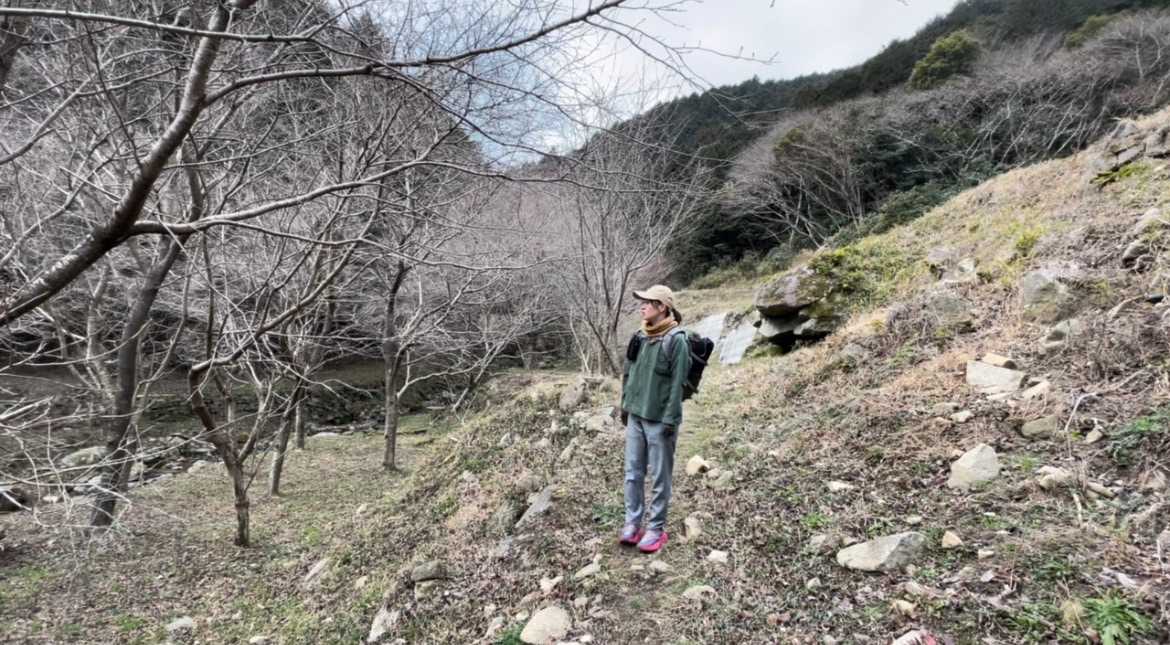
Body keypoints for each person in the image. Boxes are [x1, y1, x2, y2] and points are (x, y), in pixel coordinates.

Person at [618, 284, 691, 553]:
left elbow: (678, 384)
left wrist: (671, 420)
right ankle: (633, 523)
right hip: (636, 416)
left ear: (662, 307)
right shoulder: (639, 335)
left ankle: (656, 528)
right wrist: (625, 405)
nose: (643, 306)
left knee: (660, 477)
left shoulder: (677, 340)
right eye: (643, 301)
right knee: (633, 473)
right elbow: (629, 372)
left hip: (660, 420)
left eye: (648, 302)